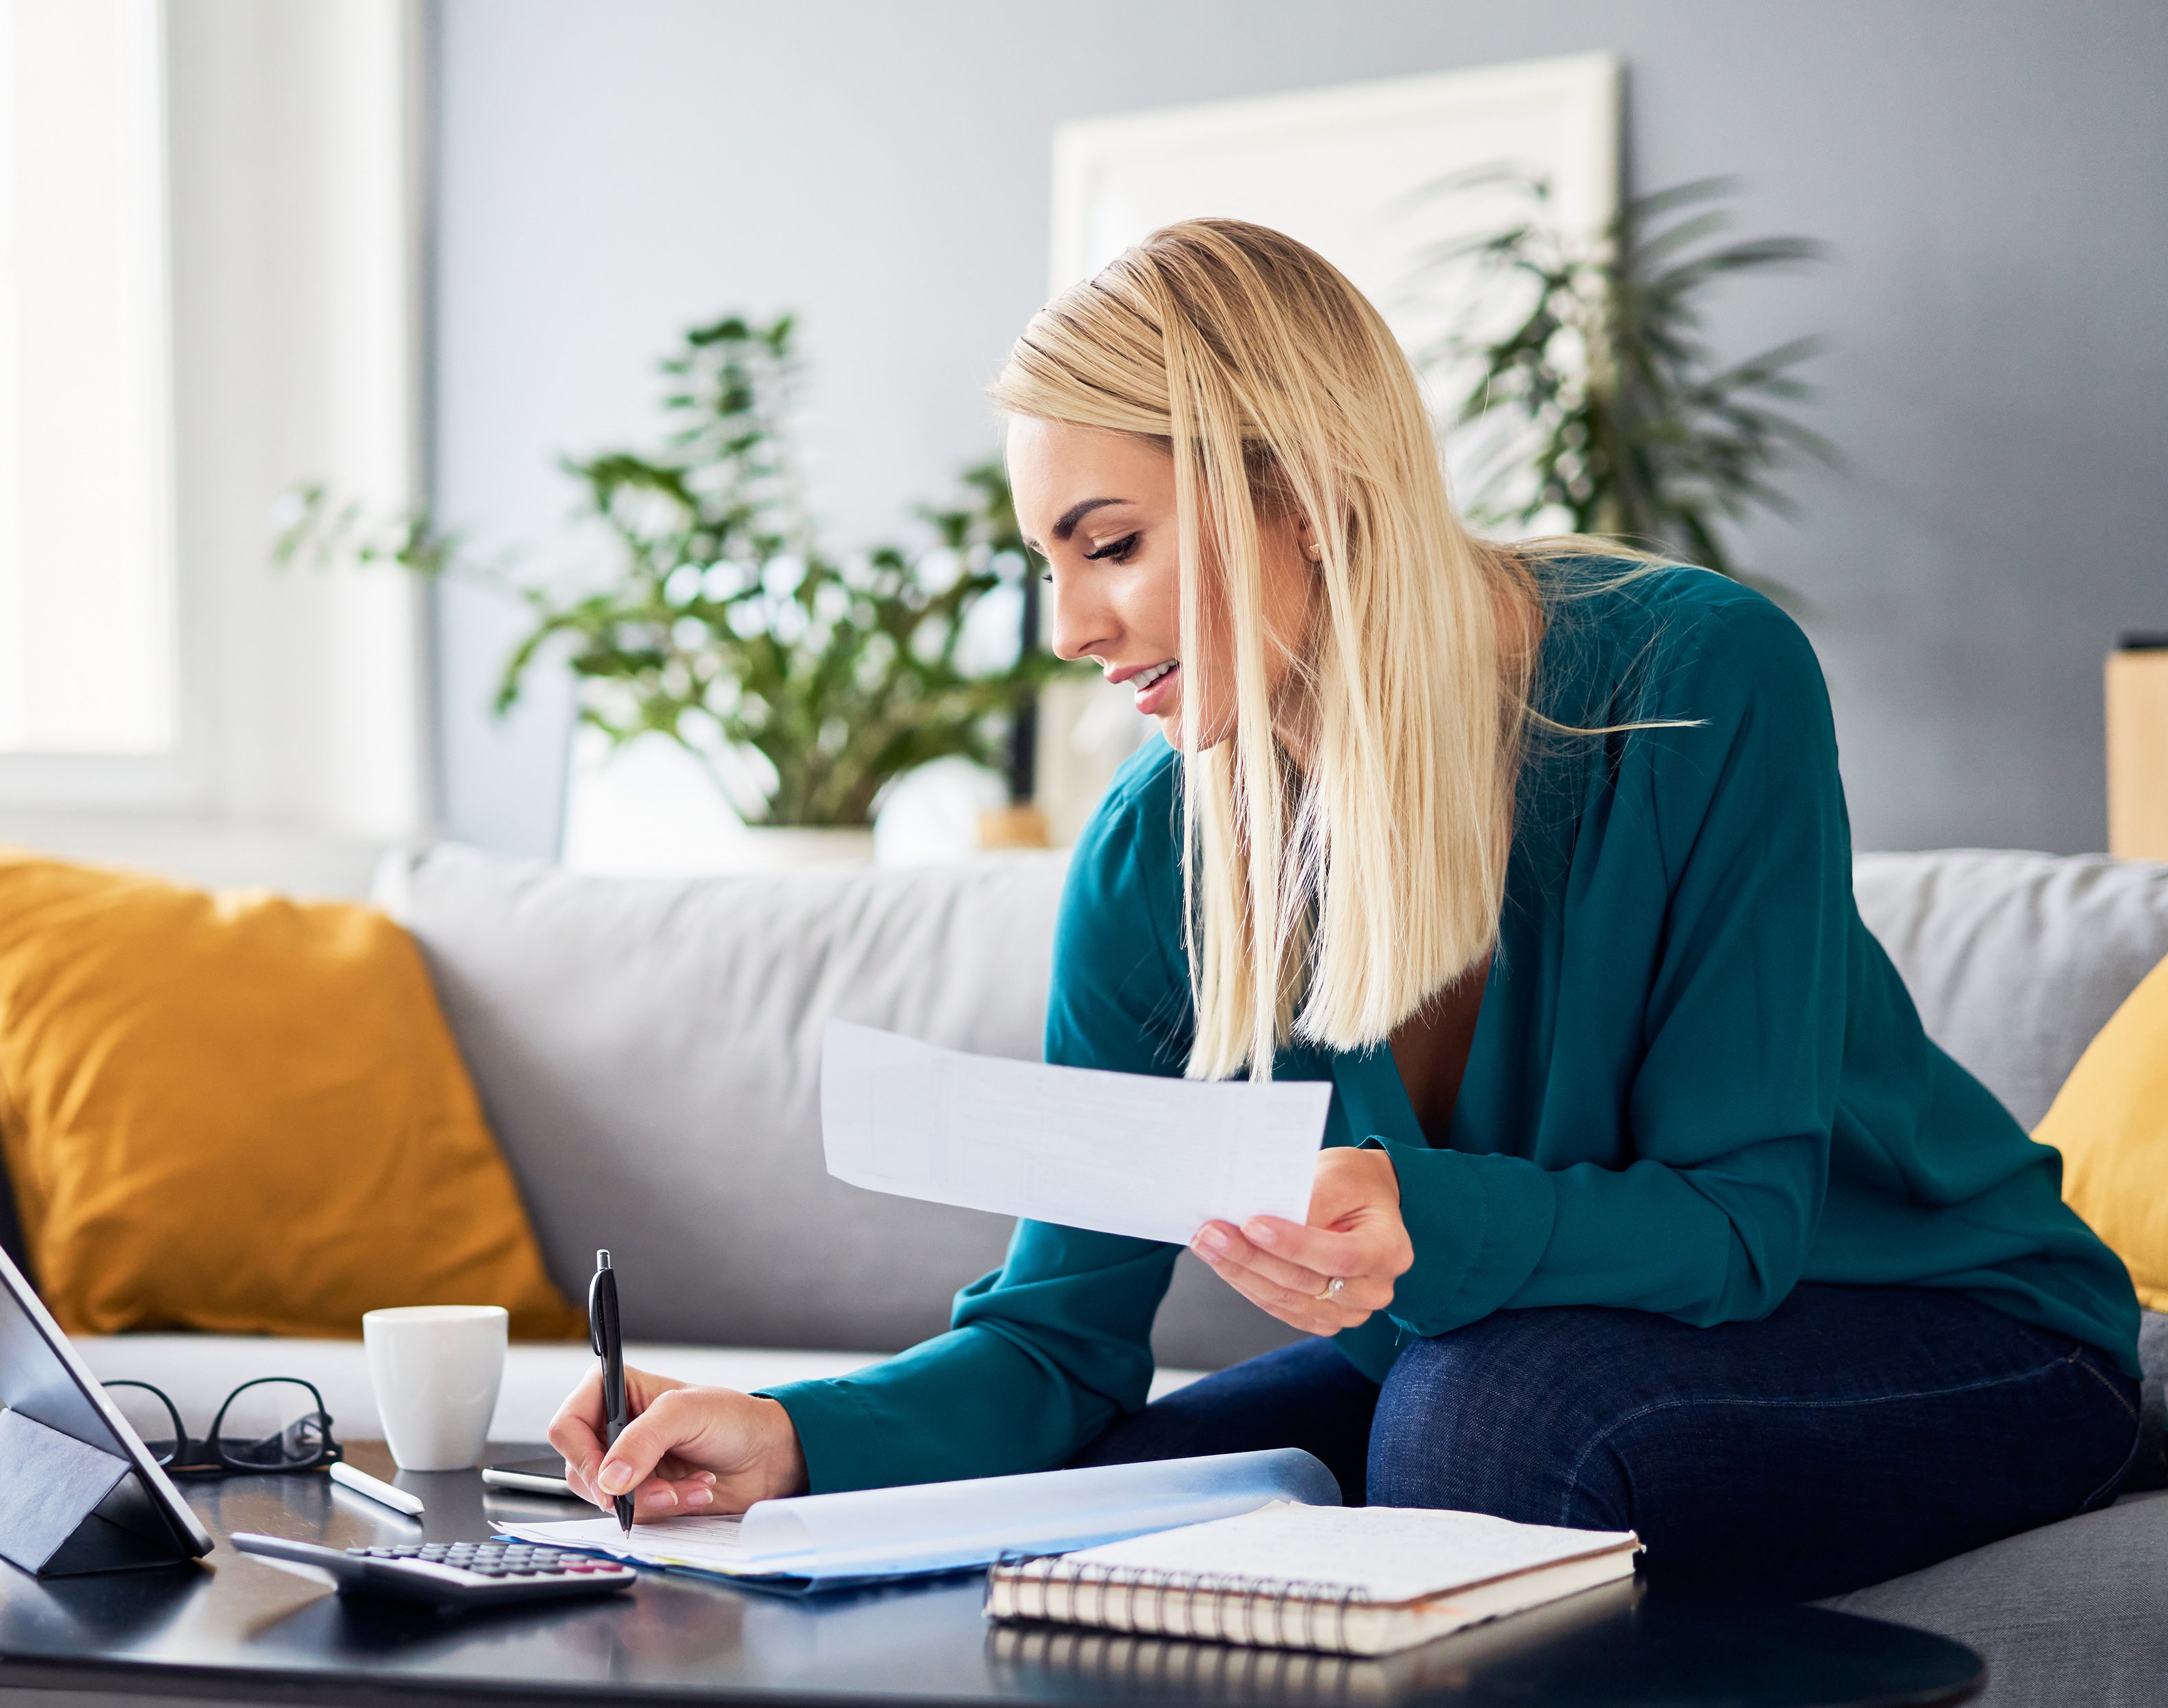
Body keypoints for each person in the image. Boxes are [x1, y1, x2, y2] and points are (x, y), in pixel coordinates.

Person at [549, 219, 2144, 1601]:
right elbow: (1057, 1343)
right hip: (1506, 1342)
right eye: (1047, 563)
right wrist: (790, 1435)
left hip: (1936, 1321)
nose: (1070, 626)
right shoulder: (1153, 857)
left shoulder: (1692, 682)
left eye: (1110, 544)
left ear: (1302, 490)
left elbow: (1739, 1223)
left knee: (1478, 1418)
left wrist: (1416, 1213)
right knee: (1096, 1511)